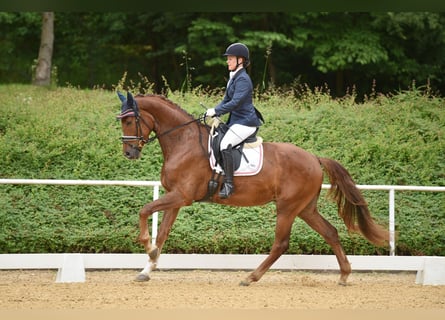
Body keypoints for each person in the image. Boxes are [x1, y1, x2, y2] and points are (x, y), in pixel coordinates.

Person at [206, 42, 263, 199]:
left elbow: (236, 102)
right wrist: (213, 111)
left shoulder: (243, 79)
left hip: (247, 122)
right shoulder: (234, 77)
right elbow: (226, 101)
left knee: (225, 145)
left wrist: (217, 111)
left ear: (240, 60)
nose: (227, 61)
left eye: (230, 59)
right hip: (237, 121)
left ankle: (229, 184)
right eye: (228, 59)